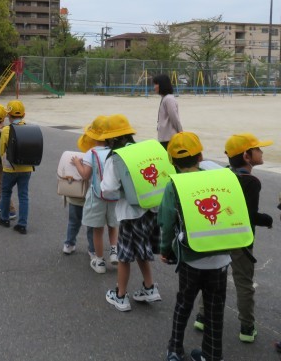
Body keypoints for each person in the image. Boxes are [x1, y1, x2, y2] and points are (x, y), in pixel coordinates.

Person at [159, 132, 232, 361]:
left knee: (184, 304)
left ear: (172, 161)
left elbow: (167, 222)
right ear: (200, 156)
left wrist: (165, 249)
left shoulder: (174, 186)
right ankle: (212, 355)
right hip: (221, 258)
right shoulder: (216, 178)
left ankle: (174, 350)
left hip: (191, 258)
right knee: (214, 310)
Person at [100, 114, 161, 312]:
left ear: (111, 139)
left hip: (130, 213)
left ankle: (120, 296)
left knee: (124, 256)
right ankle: (149, 288)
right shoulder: (141, 151)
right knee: (142, 248)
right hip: (151, 209)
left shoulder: (116, 158)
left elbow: (108, 188)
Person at [218, 133, 272, 343]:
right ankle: (247, 328)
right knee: (243, 282)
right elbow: (248, 215)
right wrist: (267, 219)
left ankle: (203, 317)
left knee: (215, 277)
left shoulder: (223, 175)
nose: (261, 151)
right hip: (241, 241)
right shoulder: (251, 182)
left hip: (219, 237)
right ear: (246, 156)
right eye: (257, 149)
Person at [76, 116, 118, 272]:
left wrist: (77, 163)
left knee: (98, 230)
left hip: (97, 196)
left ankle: (99, 262)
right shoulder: (114, 152)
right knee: (113, 226)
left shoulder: (91, 153)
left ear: (93, 136)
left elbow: (85, 175)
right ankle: (114, 252)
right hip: (114, 196)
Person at [0, 100, 32, 235]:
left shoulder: (6, 130)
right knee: (23, 196)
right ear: (24, 115)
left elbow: (1, 151)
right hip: (26, 168)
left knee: (6, 192)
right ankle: (22, 224)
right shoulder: (30, 129)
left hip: (10, 168)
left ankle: (4, 218)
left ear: (8, 115)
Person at [61, 129, 95, 259]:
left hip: (75, 195)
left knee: (73, 222)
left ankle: (69, 244)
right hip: (91, 197)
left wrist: (76, 163)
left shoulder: (76, 157)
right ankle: (92, 249)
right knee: (91, 225)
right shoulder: (96, 157)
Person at [153, 74, 183, 150]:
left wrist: (181, 133)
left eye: (156, 84)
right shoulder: (165, 98)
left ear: (162, 85)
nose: (154, 87)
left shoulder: (169, 99)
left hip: (169, 138)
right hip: (165, 137)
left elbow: (174, 118)